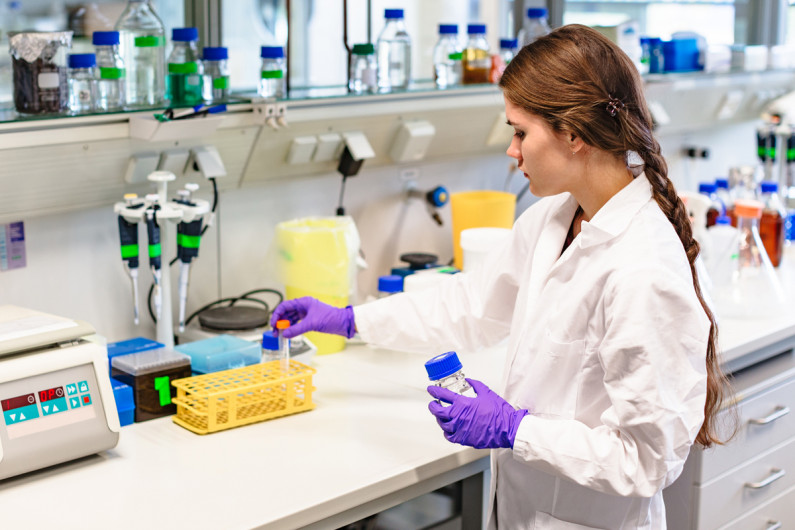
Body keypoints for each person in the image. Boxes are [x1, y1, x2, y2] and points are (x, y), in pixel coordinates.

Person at [271, 24, 730, 529]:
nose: (512, 152)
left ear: (573, 134)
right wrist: (348, 319)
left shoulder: (642, 270)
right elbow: (469, 304)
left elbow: (648, 462)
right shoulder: (555, 219)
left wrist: (517, 429)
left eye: (519, 131)